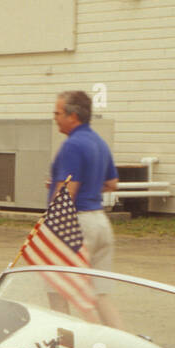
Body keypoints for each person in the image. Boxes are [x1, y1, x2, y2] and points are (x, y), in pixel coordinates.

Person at [48, 90, 123, 328]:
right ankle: (121, 345)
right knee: (99, 294)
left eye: (58, 113)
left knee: (58, 289)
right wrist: (90, 189)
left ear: (72, 116)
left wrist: (50, 229)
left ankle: (64, 347)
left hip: (76, 223)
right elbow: (111, 183)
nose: (55, 118)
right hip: (100, 221)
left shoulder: (72, 145)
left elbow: (67, 192)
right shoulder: (99, 142)